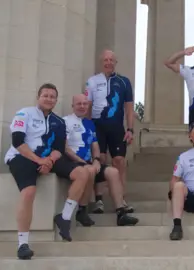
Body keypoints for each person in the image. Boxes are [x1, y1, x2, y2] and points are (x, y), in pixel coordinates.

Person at [4, 83, 91, 260]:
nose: (49, 99)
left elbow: (59, 148)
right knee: (29, 192)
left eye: (52, 96)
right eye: (46, 95)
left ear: (56, 100)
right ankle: (23, 244)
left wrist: (49, 161)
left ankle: (64, 217)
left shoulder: (58, 122)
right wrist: (39, 161)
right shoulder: (25, 113)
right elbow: (17, 141)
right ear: (38, 97)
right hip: (22, 156)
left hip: (47, 158)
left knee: (83, 173)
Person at [63, 94, 139, 226]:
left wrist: (97, 159)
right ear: (72, 106)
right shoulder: (65, 121)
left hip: (88, 163)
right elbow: (66, 149)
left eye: (85, 104)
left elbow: (95, 145)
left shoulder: (90, 123)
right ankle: (82, 210)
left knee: (113, 172)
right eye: (79, 104)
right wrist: (82, 161)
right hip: (73, 163)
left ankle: (121, 213)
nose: (82, 106)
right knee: (90, 170)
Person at [84, 49, 134, 214]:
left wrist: (130, 129)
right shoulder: (92, 81)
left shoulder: (124, 81)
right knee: (101, 160)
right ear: (101, 62)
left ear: (115, 62)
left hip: (116, 127)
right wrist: (88, 128)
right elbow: (87, 106)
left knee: (119, 161)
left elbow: (129, 107)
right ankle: (99, 200)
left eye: (111, 60)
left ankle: (121, 199)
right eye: (105, 60)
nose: (108, 62)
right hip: (98, 126)